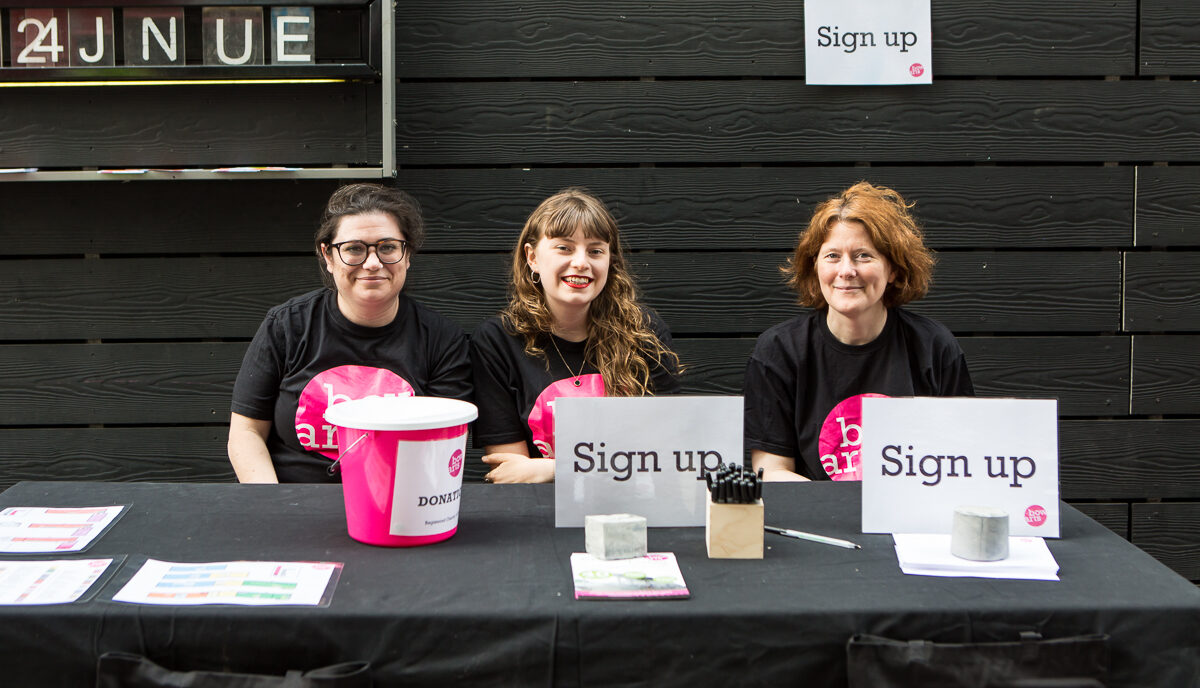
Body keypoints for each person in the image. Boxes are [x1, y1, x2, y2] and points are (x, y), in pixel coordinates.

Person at [228, 183, 472, 483]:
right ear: (328, 256)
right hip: (292, 505)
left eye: (388, 247)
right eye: (355, 248)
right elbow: (246, 433)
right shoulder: (287, 325)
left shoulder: (442, 339)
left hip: (396, 511)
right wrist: (273, 504)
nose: (372, 263)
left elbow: (442, 447)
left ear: (407, 255)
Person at [744, 181, 973, 482]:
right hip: (817, 523)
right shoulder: (778, 351)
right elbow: (771, 470)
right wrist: (842, 511)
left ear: (893, 269)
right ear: (815, 267)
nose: (846, 271)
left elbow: (963, 462)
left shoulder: (934, 347)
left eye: (864, 255)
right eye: (832, 256)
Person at [470, 187, 681, 483]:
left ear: (610, 261)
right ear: (532, 257)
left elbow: (665, 453)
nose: (581, 262)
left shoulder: (644, 332)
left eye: (595, 251)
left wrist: (552, 469)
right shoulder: (498, 341)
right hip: (538, 514)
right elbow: (512, 474)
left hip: (630, 509)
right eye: (564, 248)